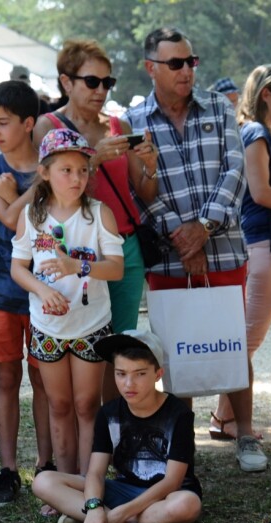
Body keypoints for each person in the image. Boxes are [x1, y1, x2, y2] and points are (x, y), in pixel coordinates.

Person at [122, 27, 265, 472]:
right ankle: (181, 443)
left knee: (232, 342)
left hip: (222, 249)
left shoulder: (219, 108)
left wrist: (203, 228)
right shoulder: (134, 122)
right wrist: (182, 237)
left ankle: (245, 434)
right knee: (174, 349)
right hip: (167, 255)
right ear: (151, 68)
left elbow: (235, 171)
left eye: (191, 61)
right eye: (176, 63)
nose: (187, 70)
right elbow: (137, 189)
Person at [33, 39, 158, 403]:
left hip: (123, 247)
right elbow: (46, 190)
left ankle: (113, 429)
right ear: (66, 82)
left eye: (108, 83)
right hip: (71, 250)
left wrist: (150, 166)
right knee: (80, 344)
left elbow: (144, 193)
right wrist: (93, 161)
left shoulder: (117, 124)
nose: (101, 90)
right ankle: (84, 438)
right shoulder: (48, 125)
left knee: (120, 345)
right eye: (92, 81)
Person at [11, 128, 124, 476]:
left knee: (87, 405)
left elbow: (117, 269)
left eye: (83, 170)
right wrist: (43, 291)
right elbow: (18, 268)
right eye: (66, 170)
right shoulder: (32, 215)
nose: (77, 178)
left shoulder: (99, 214)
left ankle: (88, 484)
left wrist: (78, 265)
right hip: (48, 326)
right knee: (58, 405)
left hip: (90, 325)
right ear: (45, 172)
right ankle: (63, 481)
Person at [32, 329, 202, 523]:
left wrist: (121, 511)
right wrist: (93, 507)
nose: (129, 383)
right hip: (123, 489)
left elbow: (171, 481)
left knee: (188, 506)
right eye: (121, 374)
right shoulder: (108, 413)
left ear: (158, 374)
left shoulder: (179, 414)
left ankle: (92, 522)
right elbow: (95, 473)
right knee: (43, 481)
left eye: (140, 374)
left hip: (166, 495)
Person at [210, 65, 271, 438]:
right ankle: (224, 417)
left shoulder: (261, 132)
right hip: (267, 243)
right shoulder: (254, 133)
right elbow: (261, 191)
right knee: (249, 337)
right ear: (266, 93)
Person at [0, 80, 53, 507]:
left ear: (29, 123)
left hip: (45, 291)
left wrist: (22, 192)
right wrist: (34, 188)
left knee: (44, 379)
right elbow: (10, 222)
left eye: (3, 123)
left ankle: (46, 465)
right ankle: (8, 470)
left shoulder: (56, 166)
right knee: (6, 378)